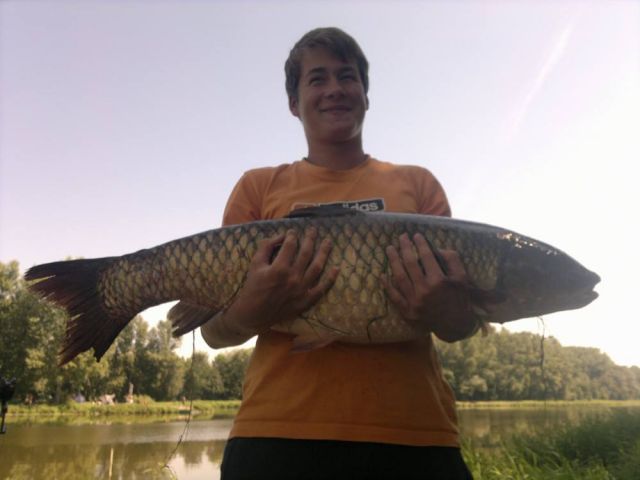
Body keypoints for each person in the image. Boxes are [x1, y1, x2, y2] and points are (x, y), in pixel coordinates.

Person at [201, 27, 478, 480]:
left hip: (414, 436)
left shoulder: (418, 184)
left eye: (347, 77)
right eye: (317, 79)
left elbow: (459, 327)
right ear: (294, 103)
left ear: (366, 95)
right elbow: (214, 333)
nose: (334, 89)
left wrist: (451, 313)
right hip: (276, 434)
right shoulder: (259, 187)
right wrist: (248, 312)